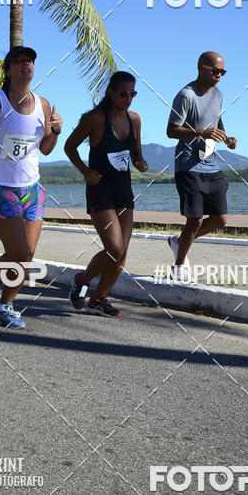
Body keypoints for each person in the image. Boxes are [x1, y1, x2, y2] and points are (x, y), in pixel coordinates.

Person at [0, 46, 62, 329]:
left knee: (28, 254)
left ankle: (6, 305)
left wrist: (56, 131)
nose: (26, 65)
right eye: (19, 61)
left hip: (32, 186)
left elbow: (45, 149)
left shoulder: (43, 104)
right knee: (18, 250)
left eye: (30, 61)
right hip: (0, 185)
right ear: (8, 70)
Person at [64, 71, 148, 317]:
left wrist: (141, 163)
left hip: (124, 190)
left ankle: (99, 299)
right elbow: (69, 146)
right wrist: (85, 171)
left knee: (122, 253)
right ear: (111, 92)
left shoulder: (135, 119)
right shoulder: (96, 119)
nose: (128, 98)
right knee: (114, 247)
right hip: (100, 190)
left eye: (132, 94)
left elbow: (136, 154)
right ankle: (82, 280)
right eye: (123, 93)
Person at [166, 51, 237, 280]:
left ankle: (180, 242)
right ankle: (178, 266)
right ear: (200, 68)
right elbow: (171, 131)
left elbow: (217, 120)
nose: (219, 75)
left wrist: (226, 138)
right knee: (195, 219)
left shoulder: (218, 95)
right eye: (215, 71)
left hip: (211, 164)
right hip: (188, 165)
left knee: (220, 219)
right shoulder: (186, 95)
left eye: (222, 72)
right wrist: (200, 132)